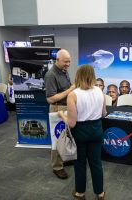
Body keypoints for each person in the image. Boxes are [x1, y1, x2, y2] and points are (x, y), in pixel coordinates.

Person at [58, 64, 106, 200]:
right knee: (96, 163)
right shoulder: (99, 91)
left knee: (79, 164)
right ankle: (100, 193)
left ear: (78, 75)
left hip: (80, 133)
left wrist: (62, 115)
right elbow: (103, 113)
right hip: (96, 130)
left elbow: (72, 123)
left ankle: (80, 193)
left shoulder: (73, 95)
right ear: (92, 76)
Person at [44, 49, 75, 179]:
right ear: (57, 60)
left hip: (66, 107)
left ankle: (65, 158)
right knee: (58, 139)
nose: (68, 64)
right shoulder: (51, 75)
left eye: (69, 62)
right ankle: (57, 167)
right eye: (65, 62)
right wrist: (70, 90)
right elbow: (50, 99)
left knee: (67, 137)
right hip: (57, 110)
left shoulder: (64, 70)